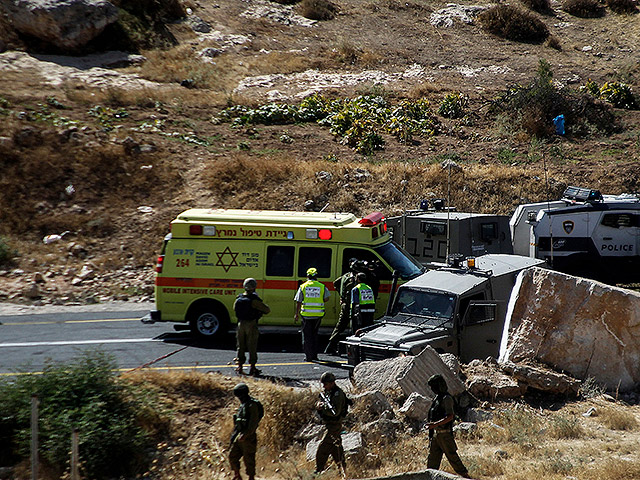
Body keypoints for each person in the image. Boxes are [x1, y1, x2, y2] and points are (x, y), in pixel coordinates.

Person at [425, 374, 470, 478]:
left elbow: (450, 417)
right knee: (432, 462)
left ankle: (466, 477)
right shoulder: (437, 398)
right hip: (436, 435)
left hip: (445, 435)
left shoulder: (446, 398)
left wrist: (435, 424)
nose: (432, 389)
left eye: (434, 387)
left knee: (453, 459)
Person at [233, 278, 271, 376]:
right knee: (252, 346)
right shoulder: (254, 300)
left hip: (240, 324)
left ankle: (240, 366)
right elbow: (267, 310)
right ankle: (252, 368)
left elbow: (234, 309)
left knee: (240, 346)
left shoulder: (239, 298)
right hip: (251, 324)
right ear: (254, 287)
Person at [294, 267, 330, 361]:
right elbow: (326, 299)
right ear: (316, 276)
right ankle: (315, 356)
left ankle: (308, 356)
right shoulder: (321, 286)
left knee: (307, 336)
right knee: (315, 335)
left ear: (307, 276)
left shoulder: (303, 286)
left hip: (306, 315)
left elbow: (298, 301)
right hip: (318, 315)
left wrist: (296, 314)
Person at [315, 371, 347, 476]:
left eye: (326, 384)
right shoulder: (329, 392)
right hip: (330, 425)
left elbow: (335, 412)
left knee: (322, 449)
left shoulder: (338, 394)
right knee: (336, 450)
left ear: (332, 383)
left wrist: (322, 407)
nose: (324, 386)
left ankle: (318, 472)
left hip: (334, 426)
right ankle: (343, 472)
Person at [229, 383, 263, 480]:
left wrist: (246, 434)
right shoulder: (243, 405)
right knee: (232, 456)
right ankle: (237, 475)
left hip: (248, 436)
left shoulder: (252, 405)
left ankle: (251, 477)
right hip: (239, 434)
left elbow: (253, 423)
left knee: (249, 459)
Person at [325, 259, 358, 355]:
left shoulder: (345, 276)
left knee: (340, 327)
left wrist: (341, 295)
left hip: (346, 304)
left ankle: (330, 346)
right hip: (349, 305)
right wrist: (343, 295)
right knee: (352, 326)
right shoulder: (352, 279)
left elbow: (335, 283)